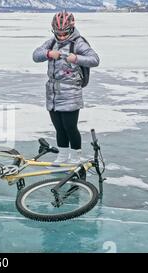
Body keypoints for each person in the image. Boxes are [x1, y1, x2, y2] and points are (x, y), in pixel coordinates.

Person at [33, 11, 100, 164]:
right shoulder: (51, 42)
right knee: (59, 127)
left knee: (70, 127)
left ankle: (75, 158)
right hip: (53, 93)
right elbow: (36, 55)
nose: (62, 36)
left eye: (65, 33)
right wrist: (49, 54)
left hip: (71, 93)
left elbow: (95, 59)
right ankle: (62, 157)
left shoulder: (78, 43)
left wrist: (76, 58)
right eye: (59, 33)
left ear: (71, 29)